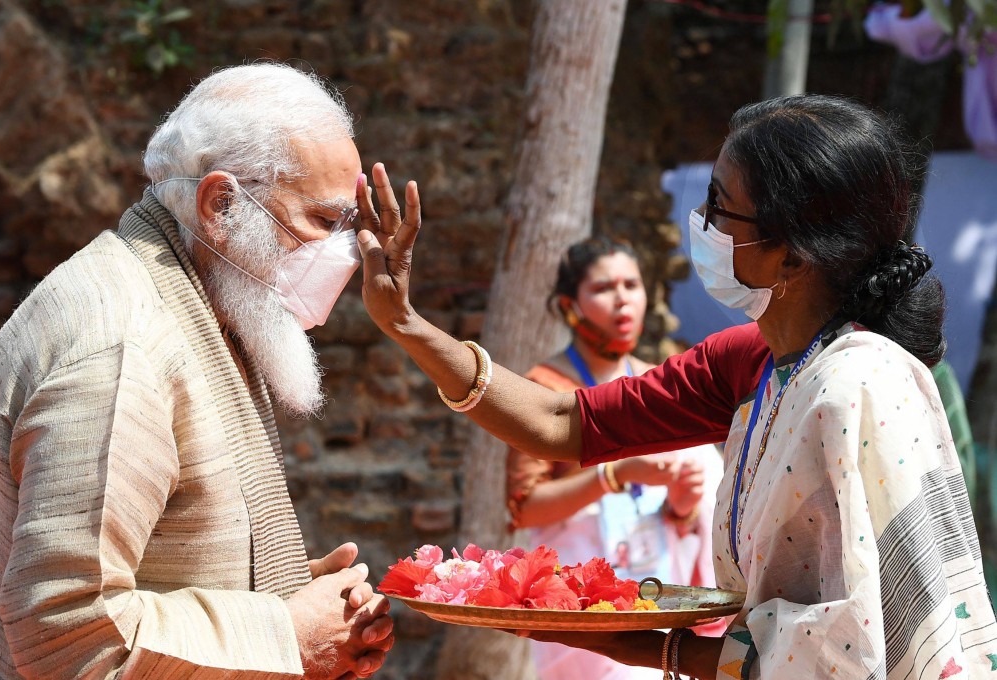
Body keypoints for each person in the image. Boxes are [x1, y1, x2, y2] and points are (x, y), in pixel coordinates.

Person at [354, 94, 997, 678]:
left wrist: (633, 644)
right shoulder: (751, 363)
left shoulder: (859, 383)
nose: (703, 223)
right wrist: (406, 324)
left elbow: (853, 645)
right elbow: (560, 423)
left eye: (722, 207)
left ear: (792, 255)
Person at [0, 63, 393, 679]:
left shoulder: (191, 296)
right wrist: (287, 635)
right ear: (220, 205)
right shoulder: (123, 348)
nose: (345, 252)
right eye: (326, 221)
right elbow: (66, 632)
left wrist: (282, 592)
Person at [505, 236, 724, 679]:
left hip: (658, 591)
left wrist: (683, 504)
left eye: (632, 284)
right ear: (571, 305)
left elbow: (685, 516)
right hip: (583, 604)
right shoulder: (545, 388)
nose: (623, 300)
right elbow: (524, 508)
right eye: (604, 288)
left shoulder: (657, 382)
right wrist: (613, 475)